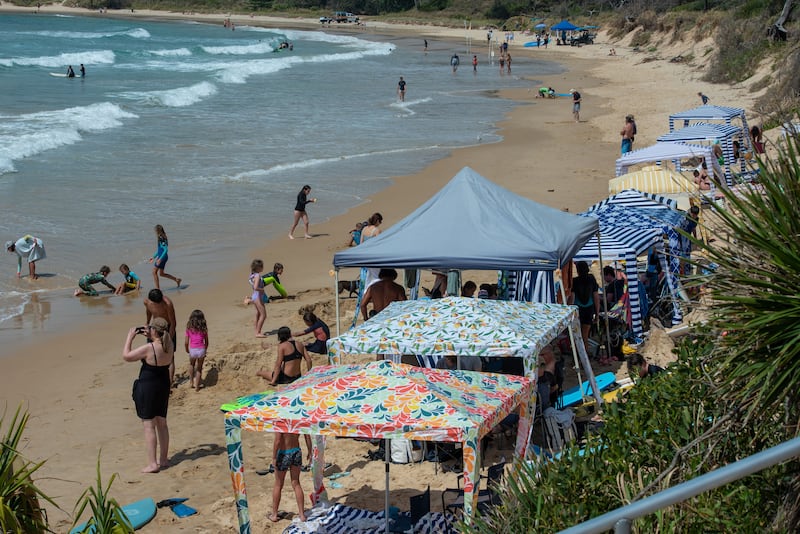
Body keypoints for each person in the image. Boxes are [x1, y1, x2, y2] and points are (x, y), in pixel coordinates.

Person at [123, 317, 174, 473]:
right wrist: (151, 334)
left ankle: (153, 464)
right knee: (162, 423)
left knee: (148, 425)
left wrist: (129, 337)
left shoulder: (150, 348)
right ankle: (163, 459)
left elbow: (127, 356)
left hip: (149, 386)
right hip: (163, 384)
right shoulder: (169, 344)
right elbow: (160, 341)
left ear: (154, 331)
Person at [269, 432, 307, 523]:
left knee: (278, 484)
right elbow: (307, 435)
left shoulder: (281, 421)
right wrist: (309, 450)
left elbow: (278, 440)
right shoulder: (296, 420)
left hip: (283, 453)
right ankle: (302, 514)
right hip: (296, 451)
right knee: (296, 483)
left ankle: (274, 514)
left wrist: (274, 457)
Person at [144, 288, 177, 385]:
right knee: (151, 354)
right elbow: (149, 312)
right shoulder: (147, 302)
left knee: (170, 357)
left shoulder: (168, 304)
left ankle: (169, 383)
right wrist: (146, 322)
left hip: (167, 328)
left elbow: (173, 323)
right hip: (155, 328)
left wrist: (169, 339)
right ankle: (155, 378)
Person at [569, 261, 600, 353]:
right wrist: (597, 314)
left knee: (577, 336)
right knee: (585, 336)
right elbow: (596, 297)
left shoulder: (575, 281)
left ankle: (577, 359)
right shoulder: (591, 279)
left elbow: (572, 298)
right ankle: (584, 360)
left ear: (578, 270)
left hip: (578, 310)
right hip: (589, 310)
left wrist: (567, 311)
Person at [148, 224, 181, 290]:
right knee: (161, 274)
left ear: (158, 230)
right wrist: (153, 257)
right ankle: (176, 279)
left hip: (162, 257)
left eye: (155, 230)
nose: (155, 232)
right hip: (163, 256)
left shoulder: (161, 238)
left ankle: (158, 289)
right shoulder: (163, 236)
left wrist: (160, 259)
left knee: (154, 272)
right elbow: (160, 250)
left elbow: (165, 249)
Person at [184, 309, 209, 391]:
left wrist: (187, 349)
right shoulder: (204, 328)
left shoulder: (189, 328)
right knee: (199, 368)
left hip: (193, 349)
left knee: (191, 365)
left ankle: (191, 382)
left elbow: (186, 342)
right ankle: (197, 387)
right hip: (201, 348)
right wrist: (205, 349)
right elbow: (207, 341)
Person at [359, 213, 383, 290]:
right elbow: (379, 245)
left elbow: (361, 243)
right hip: (373, 256)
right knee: (376, 276)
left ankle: (364, 292)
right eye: (380, 221)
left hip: (364, 256)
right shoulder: (377, 230)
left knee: (366, 277)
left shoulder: (364, 229)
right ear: (377, 221)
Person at [250, 259, 267, 338]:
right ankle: (258, 332)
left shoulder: (252, 275)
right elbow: (256, 287)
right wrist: (262, 289)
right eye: (262, 266)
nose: (263, 268)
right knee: (263, 315)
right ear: (258, 268)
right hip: (258, 297)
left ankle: (256, 329)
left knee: (258, 313)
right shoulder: (257, 276)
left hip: (254, 296)